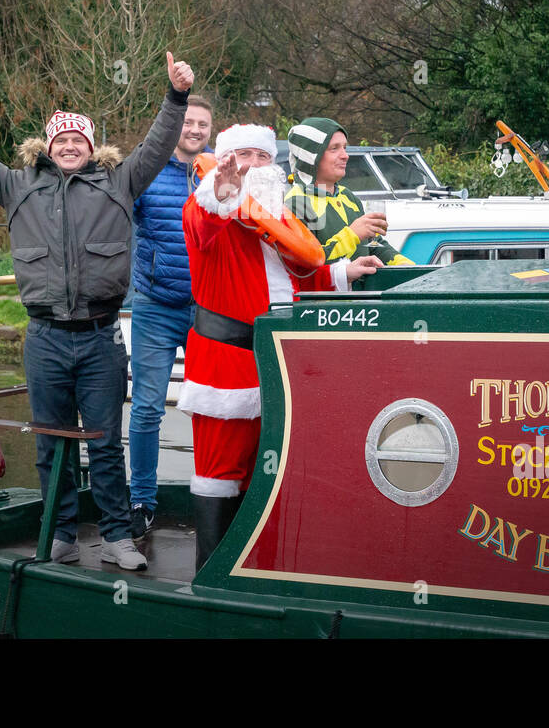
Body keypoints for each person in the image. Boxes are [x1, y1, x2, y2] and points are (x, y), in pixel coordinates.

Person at [0, 52, 195, 571]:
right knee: (51, 444)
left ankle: (117, 537)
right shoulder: (17, 186)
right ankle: (62, 533)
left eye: (79, 141)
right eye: (62, 141)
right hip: (45, 339)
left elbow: (159, 143)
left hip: (100, 339)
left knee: (106, 445)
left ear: (92, 149)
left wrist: (176, 96)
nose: (70, 147)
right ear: (48, 147)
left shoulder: (120, 182)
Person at [178, 124, 381, 568]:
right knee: (217, 475)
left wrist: (344, 273)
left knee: (264, 470)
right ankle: (211, 575)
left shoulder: (278, 219)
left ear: (276, 165)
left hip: (276, 366)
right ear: (226, 161)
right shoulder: (209, 210)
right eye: (242, 155)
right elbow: (200, 221)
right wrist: (222, 189)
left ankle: (255, 568)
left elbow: (296, 281)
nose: (253, 164)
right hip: (224, 368)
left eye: (263, 156)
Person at [127, 95, 213, 542]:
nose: (195, 129)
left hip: (208, 313)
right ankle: (141, 502)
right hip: (155, 307)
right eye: (188, 121)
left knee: (212, 408)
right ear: (175, 125)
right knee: (145, 407)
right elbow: (113, 220)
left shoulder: (218, 177)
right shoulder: (147, 172)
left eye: (203, 123)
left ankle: (214, 498)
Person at [285, 118, 415, 265]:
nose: (345, 155)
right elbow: (310, 264)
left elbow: (373, 245)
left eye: (344, 147)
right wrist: (352, 234)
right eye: (334, 148)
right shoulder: (296, 203)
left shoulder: (347, 196)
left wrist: (407, 266)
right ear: (310, 157)